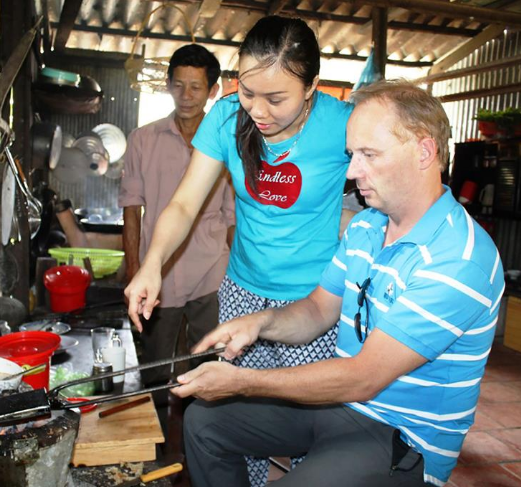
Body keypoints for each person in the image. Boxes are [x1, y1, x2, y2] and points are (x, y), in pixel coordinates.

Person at [173, 80, 505, 487]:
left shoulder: (460, 255)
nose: (351, 171)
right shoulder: (367, 226)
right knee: (205, 421)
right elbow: (316, 310)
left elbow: (364, 376)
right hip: (345, 408)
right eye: (351, 155)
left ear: (424, 151)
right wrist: (258, 324)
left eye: (368, 154)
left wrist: (243, 380)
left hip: (401, 438)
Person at [124, 16, 353, 482]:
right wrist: (151, 265)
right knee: (238, 420)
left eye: (276, 99)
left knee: (307, 429)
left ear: (311, 87)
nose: (258, 110)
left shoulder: (342, 125)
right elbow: (185, 203)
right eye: (248, 93)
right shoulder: (227, 117)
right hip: (242, 295)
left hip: (315, 303)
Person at [120, 44, 235, 384]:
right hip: (160, 278)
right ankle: (157, 432)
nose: (186, 95)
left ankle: (202, 434)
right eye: (178, 84)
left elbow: (231, 217)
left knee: (210, 366)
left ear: (213, 91)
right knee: (153, 370)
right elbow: (131, 209)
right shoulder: (142, 140)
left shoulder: (227, 144)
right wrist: (133, 270)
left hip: (212, 274)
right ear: (168, 84)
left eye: (196, 86)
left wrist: (239, 279)